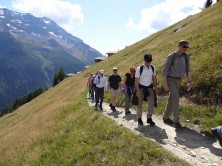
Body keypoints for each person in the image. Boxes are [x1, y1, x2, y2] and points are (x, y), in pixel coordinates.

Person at [162, 40, 192, 128]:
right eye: (184, 47)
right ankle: (176, 121)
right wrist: (165, 83)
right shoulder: (171, 56)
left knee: (171, 98)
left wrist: (189, 82)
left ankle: (165, 116)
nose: (185, 49)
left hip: (179, 80)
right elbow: (165, 70)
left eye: (187, 47)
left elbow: (188, 70)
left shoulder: (186, 57)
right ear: (179, 46)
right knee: (175, 97)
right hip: (170, 79)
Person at [135, 53, 158, 125]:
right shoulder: (140, 68)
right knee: (139, 104)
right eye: (147, 61)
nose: (149, 63)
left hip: (149, 87)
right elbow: (136, 81)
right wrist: (137, 91)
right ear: (144, 60)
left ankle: (149, 118)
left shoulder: (153, 68)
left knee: (151, 103)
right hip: (141, 87)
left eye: (150, 61)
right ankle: (139, 118)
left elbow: (154, 79)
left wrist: (156, 88)